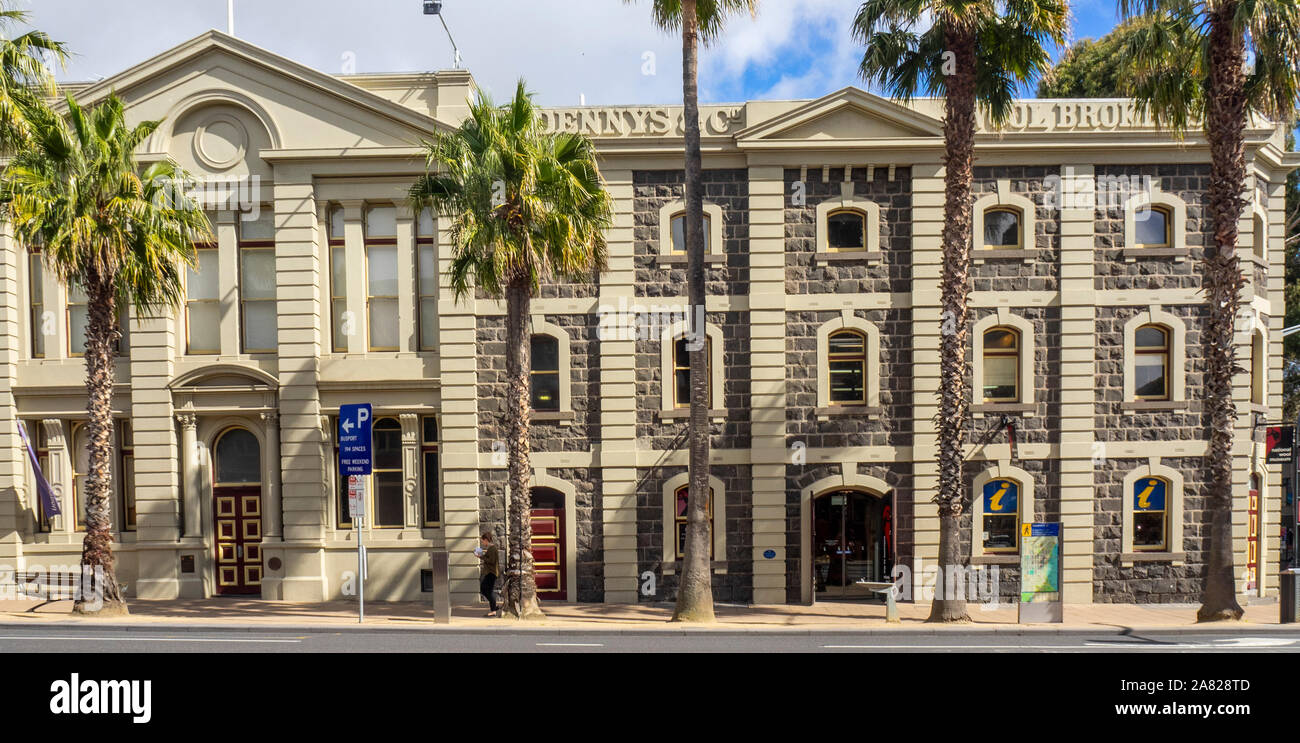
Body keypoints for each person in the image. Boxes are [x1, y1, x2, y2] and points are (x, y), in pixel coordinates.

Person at [477, 531, 500, 617]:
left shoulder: (492, 548)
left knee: (485, 589)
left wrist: (481, 557)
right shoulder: (491, 549)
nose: (482, 543)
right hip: (490, 572)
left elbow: (491, 561)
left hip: (492, 573)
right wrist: (482, 556)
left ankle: (493, 610)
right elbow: (489, 559)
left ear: (486, 540)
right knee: (486, 590)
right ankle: (494, 607)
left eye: (483, 541)